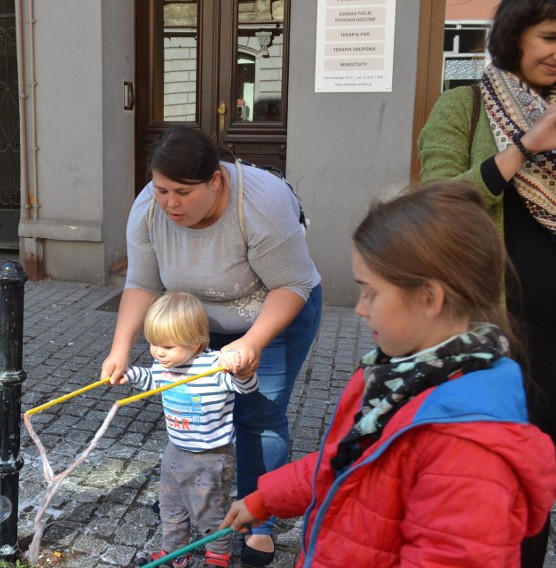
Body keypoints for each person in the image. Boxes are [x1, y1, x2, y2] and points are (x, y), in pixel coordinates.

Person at [220, 182, 556, 567]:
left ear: (430, 298)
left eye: (371, 293)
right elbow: (349, 462)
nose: (360, 309)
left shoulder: (468, 447)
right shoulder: (400, 376)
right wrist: (267, 497)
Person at [101, 125, 322, 567]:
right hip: (195, 322)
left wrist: (253, 342)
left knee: (258, 416)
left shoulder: (262, 203)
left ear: (216, 179)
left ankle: (259, 520)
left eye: (183, 191)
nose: (170, 204)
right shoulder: (148, 209)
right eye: (161, 189)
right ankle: (192, 492)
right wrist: (120, 348)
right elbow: (142, 282)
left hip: (273, 310)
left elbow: (292, 283)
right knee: (198, 407)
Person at [417, 1, 556, 564]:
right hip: (496, 335)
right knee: (492, 477)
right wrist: (527, 145)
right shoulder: (465, 106)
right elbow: (435, 202)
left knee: (538, 482)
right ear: (514, 36)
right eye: (549, 36)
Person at [112, 292, 258, 567]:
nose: (158, 352)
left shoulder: (215, 367)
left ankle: (218, 556)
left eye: (167, 345)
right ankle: (175, 553)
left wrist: (242, 372)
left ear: (195, 342)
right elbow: (152, 379)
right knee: (171, 506)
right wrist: (128, 373)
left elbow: (246, 388)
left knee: (208, 512)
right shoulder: (165, 364)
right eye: (153, 343)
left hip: (211, 456)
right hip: (176, 450)